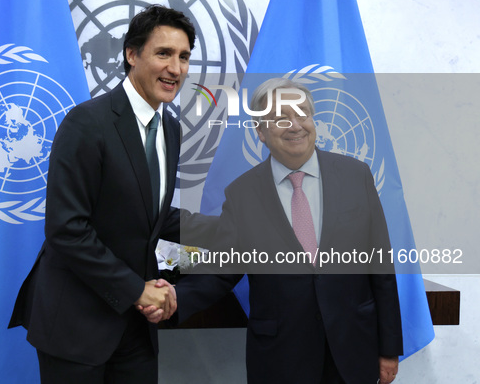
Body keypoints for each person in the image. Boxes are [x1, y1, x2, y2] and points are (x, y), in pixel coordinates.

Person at [144, 78, 403, 384]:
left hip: (352, 349)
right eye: (281, 118)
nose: (295, 125)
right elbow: (223, 269)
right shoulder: (242, 194)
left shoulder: (355, 175)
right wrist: (174, 297)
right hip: (280, 358)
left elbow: (381, 267)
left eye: (302, 113)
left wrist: (388, 350)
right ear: (261, 131)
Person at [9, 4, 214, 384]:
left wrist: (229, 228)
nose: (176, 68)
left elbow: (149, 217)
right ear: (131, 55)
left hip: (136, 327)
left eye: (184, 57)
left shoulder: (169, 127)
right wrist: (138, 290)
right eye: (164, 53)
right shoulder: (87, 123)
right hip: (76, 326)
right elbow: (67, 229)